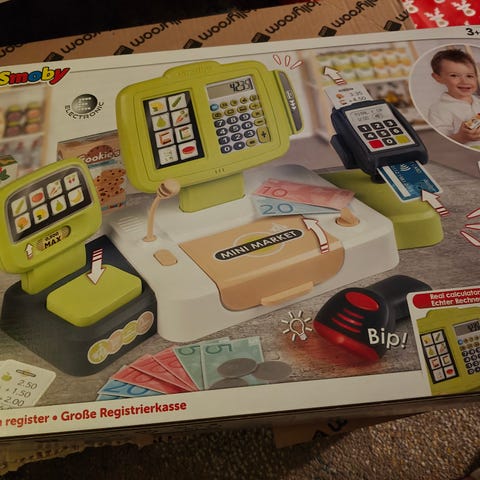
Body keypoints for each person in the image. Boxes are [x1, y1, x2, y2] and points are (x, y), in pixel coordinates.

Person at [428, 48, 480, 148]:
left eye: (469, 76)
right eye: (454, 75)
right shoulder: (439, 109)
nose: (464, 81)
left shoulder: (478, 101)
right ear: (438, 77)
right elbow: (440, 143)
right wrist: (461, 137)